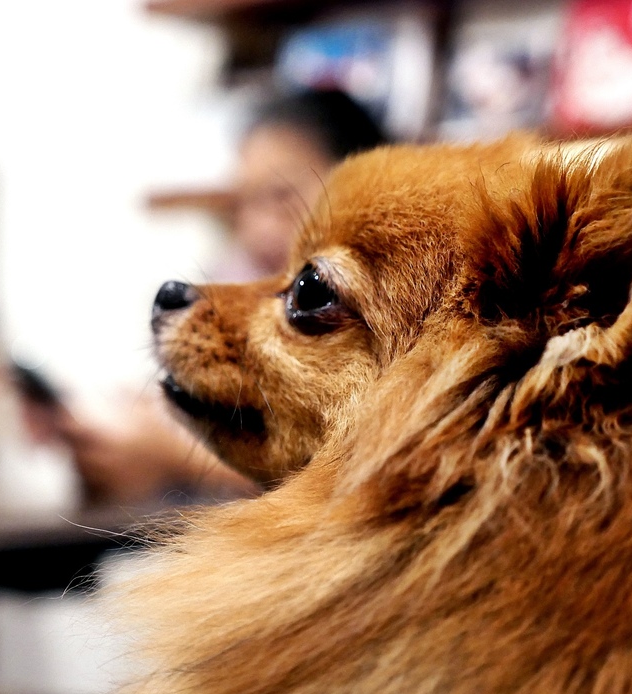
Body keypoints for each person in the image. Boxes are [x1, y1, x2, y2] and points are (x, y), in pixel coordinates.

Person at [27, 89, 387, 504]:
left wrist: (176, 457)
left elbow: (358, 478)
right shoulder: (233, 276)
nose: (257, 229)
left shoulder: (381, 320)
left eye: (281, 196)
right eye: (240, 205)